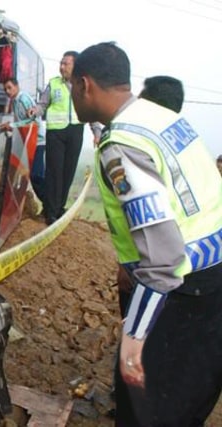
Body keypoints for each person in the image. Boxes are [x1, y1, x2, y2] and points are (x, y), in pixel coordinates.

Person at [71, 41, 222, 426]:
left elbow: (164, 259)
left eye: (72, 86)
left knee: (147, 400)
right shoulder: (158, 116)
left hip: (182, 287)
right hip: (214, 273)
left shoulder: (121, 145)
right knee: (191, 391)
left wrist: (133, 341)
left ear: (84, 85)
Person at [116, 74, 185, 316]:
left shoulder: (136, 148)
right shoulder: (182, 143)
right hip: (193, 269)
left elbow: (140, 219)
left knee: (139, 338)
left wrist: (126, 267)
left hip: (151, 272)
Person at [29, 51, 101, 225]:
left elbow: (90, 110)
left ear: (75, 66)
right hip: (56, 133)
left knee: (68, 172)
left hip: (76, 131)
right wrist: (35, 111)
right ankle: (50, 212)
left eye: (65, 64)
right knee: (54, 172)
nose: (62, 67)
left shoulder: (83, 85)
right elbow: (42, 104)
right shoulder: (53, 84)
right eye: (61, 63)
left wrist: (96, 132)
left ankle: (59, 207)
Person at [0, 78, 45, 203]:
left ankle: (50, 203)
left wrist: (12, 126)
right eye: (5, 90)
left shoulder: (24, 99)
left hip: (37, 141)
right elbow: (21, 121)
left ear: (17, 86)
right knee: (26, 173)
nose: (8, 91)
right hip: (27, 141)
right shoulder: (14, 101)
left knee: (36, 175)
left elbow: (33, 121)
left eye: (10, 87)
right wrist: (11, 124)